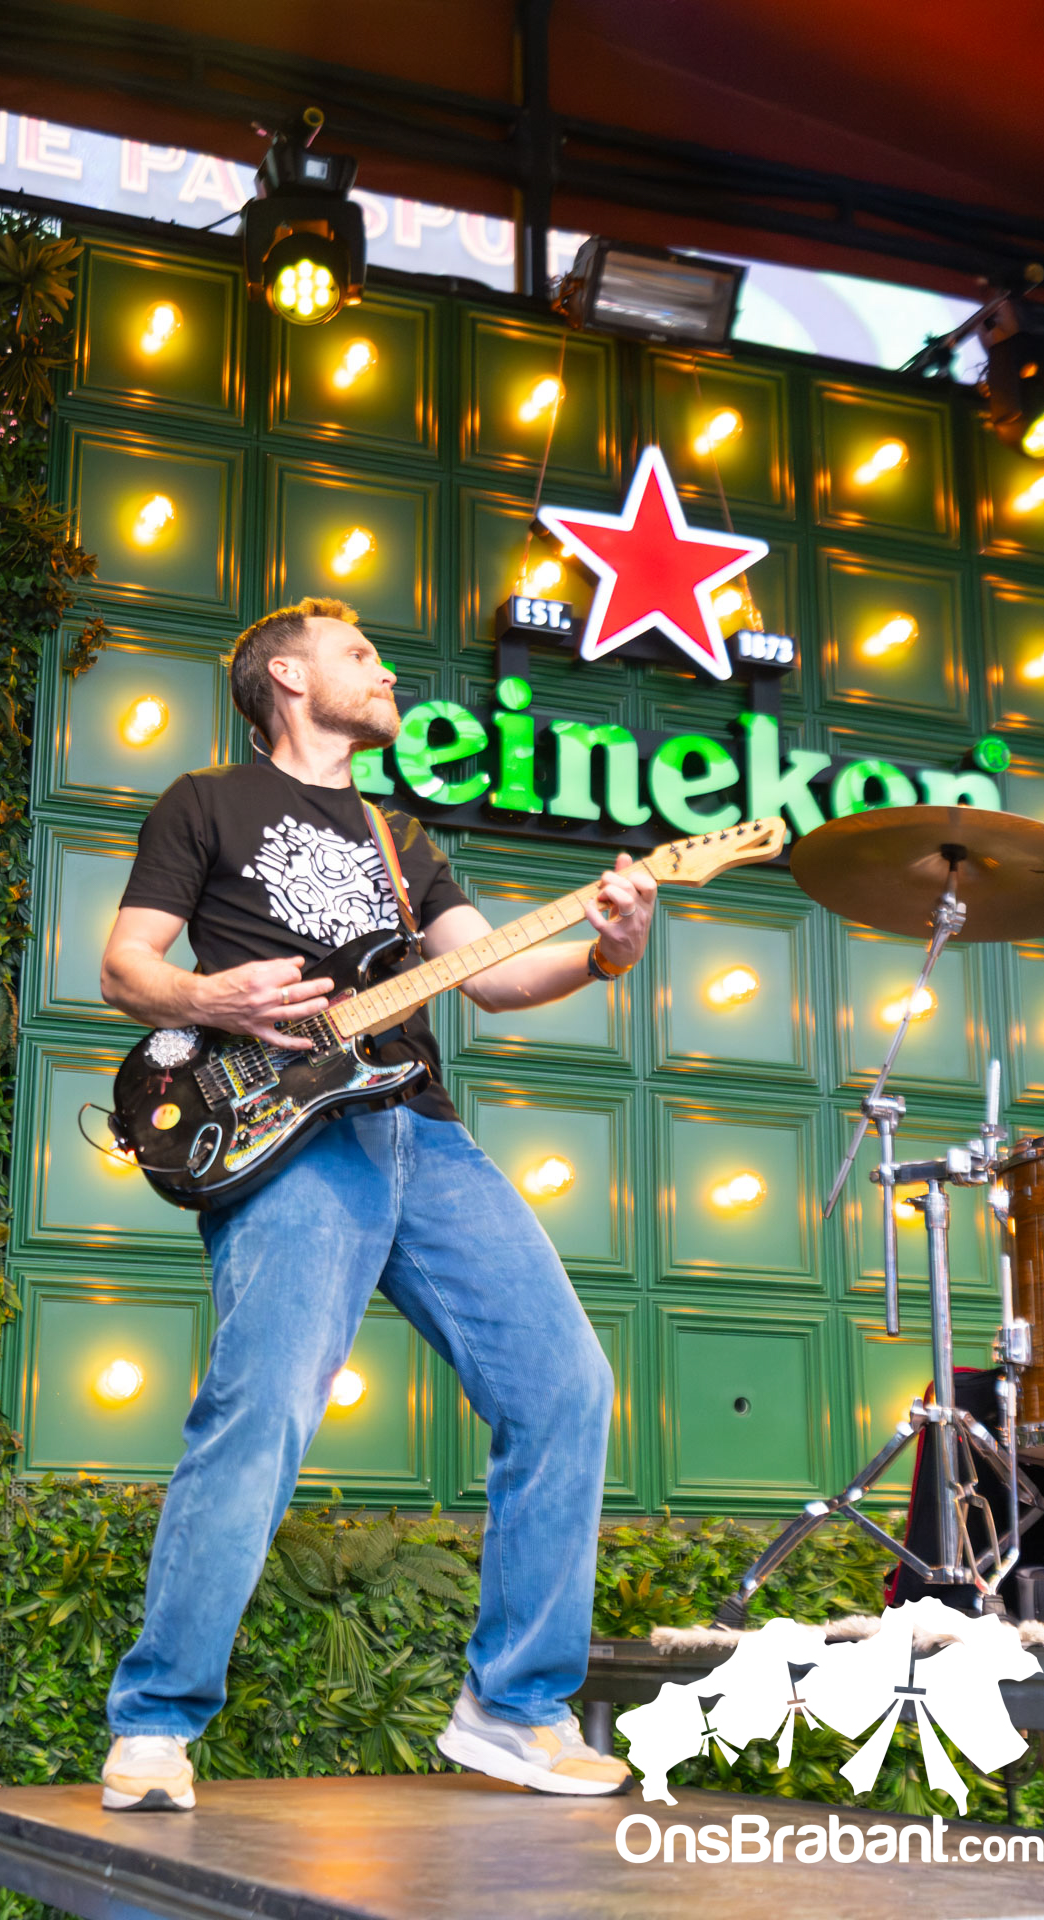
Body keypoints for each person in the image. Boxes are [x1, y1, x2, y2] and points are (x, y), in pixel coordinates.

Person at [96, 596, 657, 1809]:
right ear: (288, 677)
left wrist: (605, 949)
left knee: (565, 1387)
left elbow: (494, 976)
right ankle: (154, 1725)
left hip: (422, 1130)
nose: (386, 671)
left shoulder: (401, 838)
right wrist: (211, 999)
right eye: (359, 655)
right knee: (261, 1410)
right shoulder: (204, 802)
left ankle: (512, 1707)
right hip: (285, 1130)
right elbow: (125, 965)